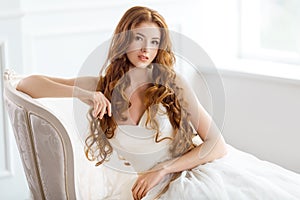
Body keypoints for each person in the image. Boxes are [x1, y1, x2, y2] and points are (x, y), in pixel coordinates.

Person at [16, 6, 300, 200]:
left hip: (192, 173)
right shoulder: (102, 86)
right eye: (138, 38)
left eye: (154, 42)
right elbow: (27, 83)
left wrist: (162, 170)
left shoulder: (172, 83)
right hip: (149, 189)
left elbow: (217, 144)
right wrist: (83, 94)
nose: (146, 50)